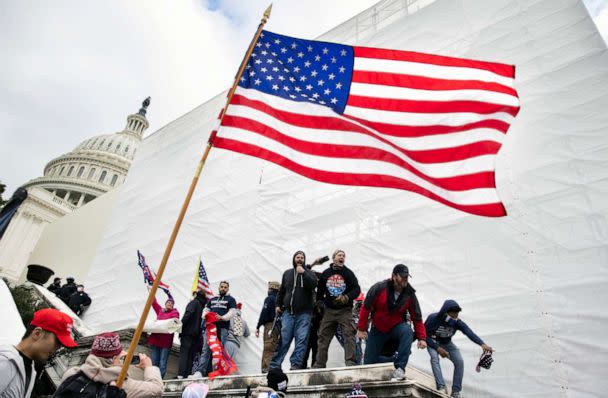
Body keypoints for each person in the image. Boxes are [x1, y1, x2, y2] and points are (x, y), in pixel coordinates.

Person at [356, 264, 427, 380]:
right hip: (378, 329)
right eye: (402, 276)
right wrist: (361, 328)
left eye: (407, 277)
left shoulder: (410, 294)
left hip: (396, 328)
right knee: (369, 363)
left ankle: (400, 369)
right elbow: (366, 307)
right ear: (394, 276)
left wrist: (422, 338)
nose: (405, 279)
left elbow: (417, 317)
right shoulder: (379, 288)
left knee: (408, 331)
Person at [0, 308, 77, 398]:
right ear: (37, 333)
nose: (58, 349)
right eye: (57, 342)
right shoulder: (5, 362)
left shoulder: (31, 369)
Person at [58, 332, 163, 398]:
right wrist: (149, 367)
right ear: (113, 358)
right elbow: (157, 389)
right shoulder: (121, 385)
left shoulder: (72, 373)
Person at [425, 300, 494, 398]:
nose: (455, 318)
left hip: (446, 343)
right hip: (432, 341)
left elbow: (469, 332)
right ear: (445, 313)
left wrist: (482, 344)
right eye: (452, 316)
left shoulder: (457, 323)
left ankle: (456, 391)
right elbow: (423, 335)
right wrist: (437, 348)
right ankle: (441, 386)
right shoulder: (433, 319)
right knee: (434, 358)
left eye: (456, 315)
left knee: (459, 361)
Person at [270, 250, 317, 371]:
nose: (300, 259)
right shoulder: (287, 273)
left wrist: (304, 273)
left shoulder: (310, 273)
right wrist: (277, 305)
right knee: (284, 339)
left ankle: (295, 364)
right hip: (288, 313)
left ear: (304, 260)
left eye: (302, 257)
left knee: (301, 339)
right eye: (298, 257)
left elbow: (313, 285)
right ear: (294, 259)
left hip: (304, 314)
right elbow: (282, 291)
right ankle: (275, 365)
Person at [314, 249, 360, 368]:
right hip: (329, 311)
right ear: (334, 258)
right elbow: (319, 292)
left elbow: (356, 289)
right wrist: (319, 303)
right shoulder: (326, 273)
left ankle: (350, 362)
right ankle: (319, 364)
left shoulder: (348, 273)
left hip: (345, 310)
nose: (342, 257)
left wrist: (346, 297)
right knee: (323, 337)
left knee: (349, 335)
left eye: (343, 256)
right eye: (339, 255)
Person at [192, 281, 237, 376]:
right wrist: (204, 315)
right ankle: (200, 372)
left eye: (225, 287)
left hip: (223, 329)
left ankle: (217, 371)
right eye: (222, 287)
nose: (223, 288)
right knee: (206, 350)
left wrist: (222, 317)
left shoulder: (231, 299)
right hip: (210, 328)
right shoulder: (212, 299)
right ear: (219, 287)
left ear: (228, 289)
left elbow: (232, 312)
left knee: (219, 351)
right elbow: (206, 309)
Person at [148, 293, 179, 378]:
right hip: (156, 340)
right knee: (154, 362)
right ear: (165, 304)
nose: (170, 304)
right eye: (168, 302)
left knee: (162, 362)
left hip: (165, 342)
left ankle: (160, 380)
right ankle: (152, 378)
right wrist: (151, 291)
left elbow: (175, 320)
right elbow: (154, 303)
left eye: (171, 303)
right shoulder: (160, 310)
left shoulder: (174, 312)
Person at [178, 289, 207, 378]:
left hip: (187, 332)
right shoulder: (203, 307)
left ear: (196, 295)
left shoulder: (194, 303)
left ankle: (180, 375)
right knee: (191, 355)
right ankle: (186, 375)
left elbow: (188, 315)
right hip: (197, 335)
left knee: (184, 353)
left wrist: (180, 326)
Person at [255, 281, 280, 373]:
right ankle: (273, 368)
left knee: (268, 347)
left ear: (271, 288)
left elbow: (264, 313)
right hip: (278, 326)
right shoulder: (280, 299)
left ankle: (266, 369)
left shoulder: (270, 298)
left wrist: (258, 326)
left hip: (270, 326)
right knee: (275, 347)